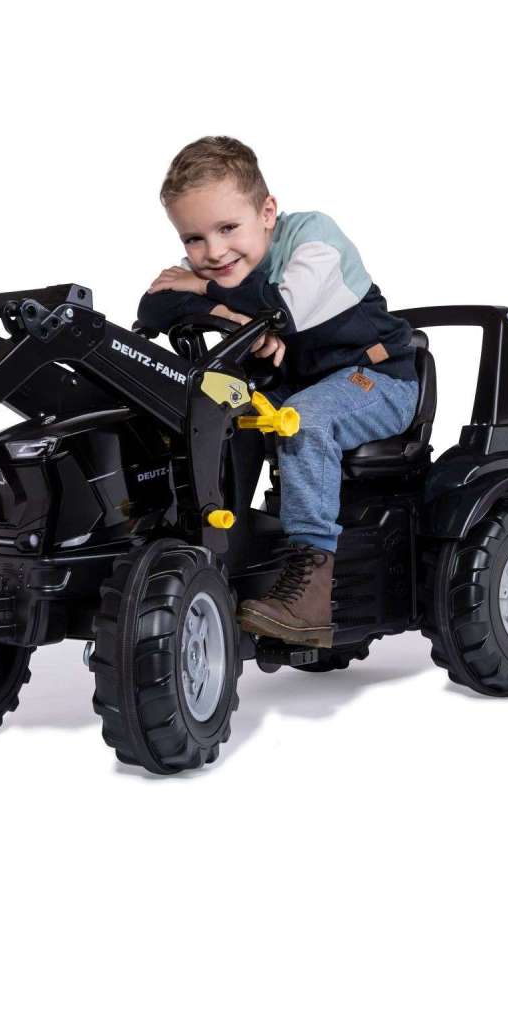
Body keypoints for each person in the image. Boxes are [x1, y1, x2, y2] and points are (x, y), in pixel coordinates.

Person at [136, 135, 420, 647]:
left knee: (305, 419)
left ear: (267, 212)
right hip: (294, 389)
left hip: (375, 380)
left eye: (228, 228)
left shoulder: (316, 239)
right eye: (194, 239)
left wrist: (202, 289)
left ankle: (310, 588)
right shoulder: (228, 265)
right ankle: (223, 544)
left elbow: (280, 310)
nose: (213, 251)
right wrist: (227, 314)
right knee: (214, 416)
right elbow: (153, 306)